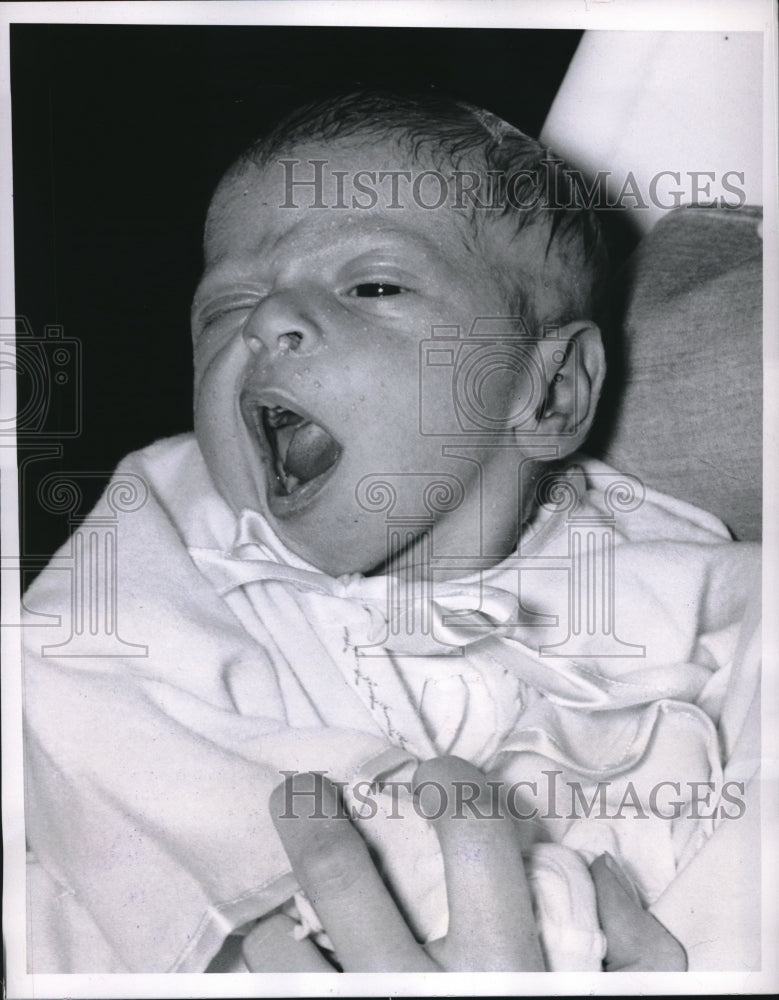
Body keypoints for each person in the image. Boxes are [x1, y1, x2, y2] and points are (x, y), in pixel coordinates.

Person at [22, 91, 760, 974]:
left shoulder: (671, 576)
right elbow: (67, 689)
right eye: (224, 309)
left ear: (551, 390)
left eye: (373, 285)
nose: (264, 324)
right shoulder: (173, 517)